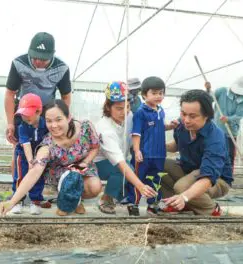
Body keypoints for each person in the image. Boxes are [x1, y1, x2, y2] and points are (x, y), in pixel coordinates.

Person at [0, 100, 102, 216]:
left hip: (83, 166)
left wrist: (85, 162)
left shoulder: (85, 127)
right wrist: (12, 202)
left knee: (95, 187)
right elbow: (34, 172)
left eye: (58, 119)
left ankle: (76, 199)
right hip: (62, 174)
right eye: (49, 121)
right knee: (70, 179)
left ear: (68, 118)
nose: (54, 125)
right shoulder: (48, 145)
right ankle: (65, 195)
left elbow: (95, 147)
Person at [162, 89, 233, 216]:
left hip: (216, 179)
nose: (186, 120)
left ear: (206, 115)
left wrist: (184, 196)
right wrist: (156, 147)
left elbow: (208, 176)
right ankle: (177, 204)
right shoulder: (182, 125)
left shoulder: (215, 138)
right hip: (189, 170)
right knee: (156, 164)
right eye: (183, 114)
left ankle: (211, 209)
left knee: (182, 188)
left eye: (192, 116)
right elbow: (176, 145)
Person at [94, 81, 157, 214]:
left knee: (136, 166)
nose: (124, 112)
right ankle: (106, 198)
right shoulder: (104, 129)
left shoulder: (129, 116)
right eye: (119, 108)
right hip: (99, 164)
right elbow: (120, 163)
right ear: (108, 107)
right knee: (125, 170)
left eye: (127, 106)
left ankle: (121, 195)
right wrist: (140, 186)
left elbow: (142, 130)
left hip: (120, 160)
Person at [4, 32, 72, 145]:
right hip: (24, 109)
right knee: (20, 146)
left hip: (47, 111)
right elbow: (10, 93)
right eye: (35, 57)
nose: (38, 62)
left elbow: (66, 96)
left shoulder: (62, 68)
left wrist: (63, 118)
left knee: (46, 147)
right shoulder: (18, 64)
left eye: (43, 59)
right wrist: (10, 123)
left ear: (52, 55)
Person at [129, 76, 177, 216]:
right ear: (144, 95)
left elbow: (159, 127)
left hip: (159, 154)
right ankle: (134, 204)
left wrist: (169, 126)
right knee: (138, 179)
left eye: (161, 93)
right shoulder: (140, 113)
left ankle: (153, 204)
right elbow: (136, 134)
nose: (158, 96)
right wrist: (137, 151)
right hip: (144, 154)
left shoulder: (160, 111)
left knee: (156, 179)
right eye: (154, 93)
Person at [10, 93, 50, 215]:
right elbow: (26, 144)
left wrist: (36, 161)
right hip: (23, 155)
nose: (25, 117)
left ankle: (35, 201)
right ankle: (17, 201)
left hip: (39, 155)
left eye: (28, 114)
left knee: (38, 177)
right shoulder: (22, 126)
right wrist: (29, 161)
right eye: (22, 114)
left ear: (38, 111)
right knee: (20, 177)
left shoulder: (46, 124)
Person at [205, 76, 243, 170]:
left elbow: (239, 114)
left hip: (231, 131)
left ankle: (228, 175)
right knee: (215, 151)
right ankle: (215, 172)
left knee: (229, 154)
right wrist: (208, 90)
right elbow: (209, 99)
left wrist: (228, 119)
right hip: (217, 128)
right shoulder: (222, 91)